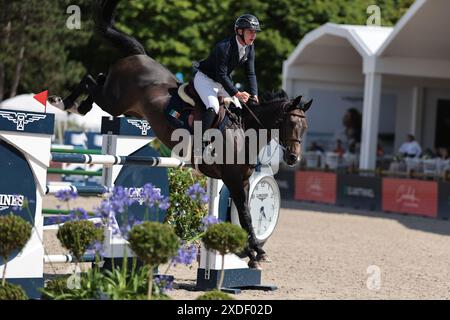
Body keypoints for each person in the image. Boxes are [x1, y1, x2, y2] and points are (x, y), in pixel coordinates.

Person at [194, 14, 261, 136]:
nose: (253, 35)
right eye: (250, 31)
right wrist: (237, 93)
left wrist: (254, 94)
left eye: (255, 32)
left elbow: (250, 73)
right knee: (213, 106)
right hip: (205, 79)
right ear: (240, 31)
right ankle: (198, 145)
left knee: (239, 108)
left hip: (222, 82)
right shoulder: (224, 47)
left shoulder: (250, 48)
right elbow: (221, 75)